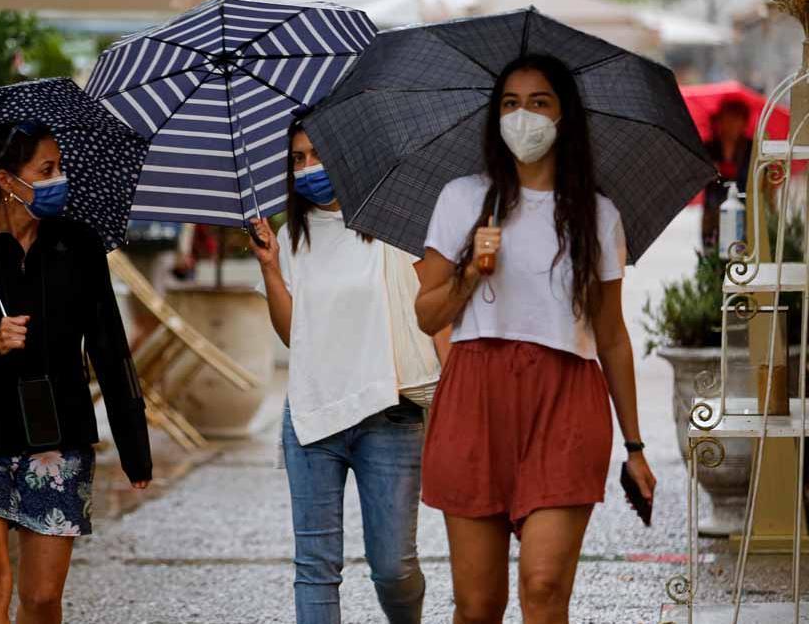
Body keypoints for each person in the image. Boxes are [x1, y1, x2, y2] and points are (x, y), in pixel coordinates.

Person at [414, 54, 657, 624]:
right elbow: (426, 314)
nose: (523, 117)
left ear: (564, 116)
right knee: (478, 607)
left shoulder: (597, 215)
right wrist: (470, 269)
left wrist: (636, 446)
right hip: (475, 399)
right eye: (509, 104)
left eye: (539, 103)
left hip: (565, 399)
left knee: (544, 587)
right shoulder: (461, 199)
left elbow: (613, 336)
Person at [0, 120, 152, 624]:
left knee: (42, 597)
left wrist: (135, 449)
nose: (58, 179)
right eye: (46, 169)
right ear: (7, 180)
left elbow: (109, 348)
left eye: (60, 167)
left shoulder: (79, 246)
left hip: (57, 435)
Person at [248, 114, 450, 624]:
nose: (309, 168)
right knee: (315, 568)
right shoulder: (291, 237)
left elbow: (436, 313)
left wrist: (456, 397)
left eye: (318, 155)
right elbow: (293, 333)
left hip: (390, 414)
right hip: (314, 417)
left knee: (394, 568)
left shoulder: (396, 224)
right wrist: (271, 268)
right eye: (297, 160)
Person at [701, 98, 754, 253]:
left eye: (735, 120)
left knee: (740, 260)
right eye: (726, 119)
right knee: (713, 260)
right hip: (713, 215)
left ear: (743, 123)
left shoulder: (751, 148)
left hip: (743, 216)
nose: (730, 125)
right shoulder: (709, 148)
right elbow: (700, 177)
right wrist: (711, 169)